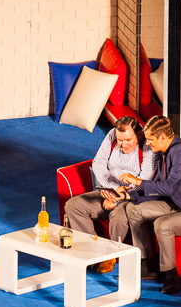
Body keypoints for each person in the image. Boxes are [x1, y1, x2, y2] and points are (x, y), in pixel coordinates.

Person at [105, 116, 181, 294]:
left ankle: (170, 276)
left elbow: (169, 187)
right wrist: (127, 196)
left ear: (162, 137)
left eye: (150, 139)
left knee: (163, 224)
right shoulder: (164, 153)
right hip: (177, 204)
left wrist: (137, 181)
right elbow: (159, 188)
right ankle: (147, 265)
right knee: (133, 209)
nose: (148, 144)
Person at [64, 115, 156, 273]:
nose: (123, 145)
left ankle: (110, 256)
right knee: (73, 205)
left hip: (134, 196)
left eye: (128, 140)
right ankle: (91, 252)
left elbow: (145, 180)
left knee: (118, 216)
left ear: (139, 134)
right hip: (110, 189)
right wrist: (113, 188)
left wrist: (118, 200)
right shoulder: (112, 134)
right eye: (120, 140)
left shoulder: (147, 145)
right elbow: (98, 163)